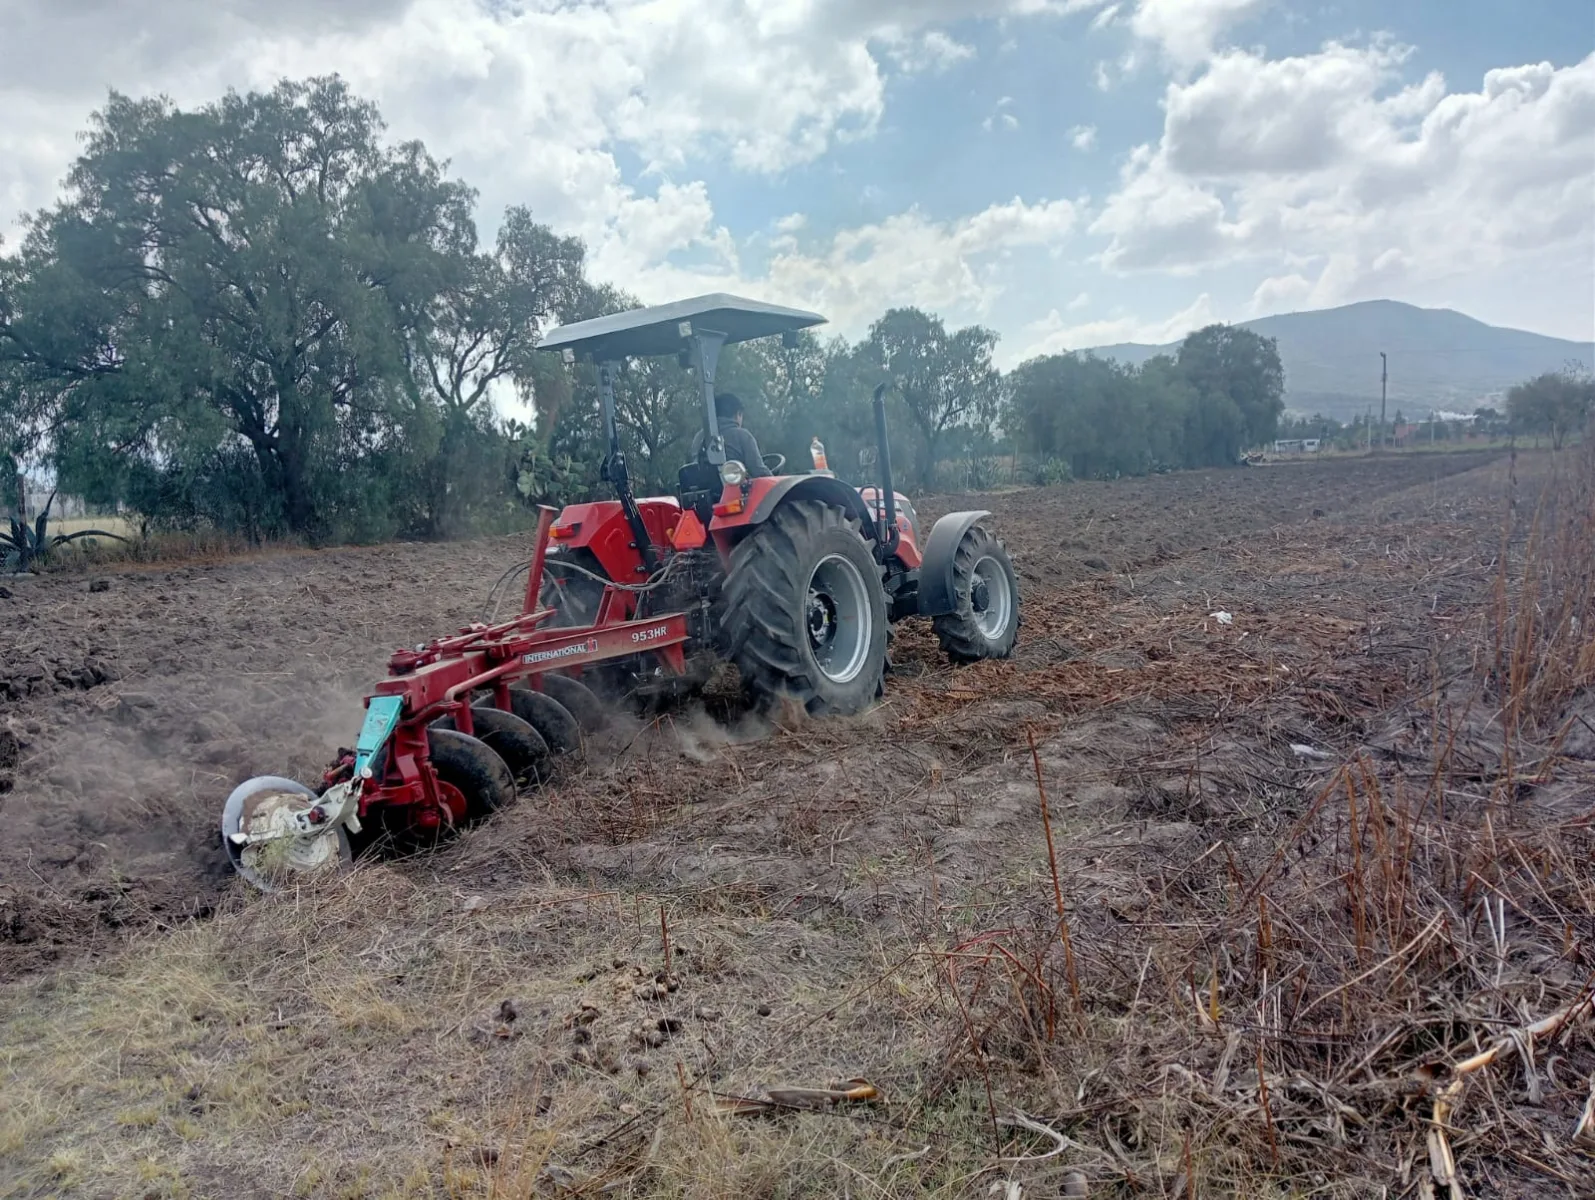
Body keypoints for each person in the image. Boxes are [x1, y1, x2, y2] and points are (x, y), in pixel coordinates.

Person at [693, 392, 773, 477]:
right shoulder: (742, 436)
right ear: (738, 414)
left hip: (701, 488)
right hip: (732, 488)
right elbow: (759, 471)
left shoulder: (699, 437)